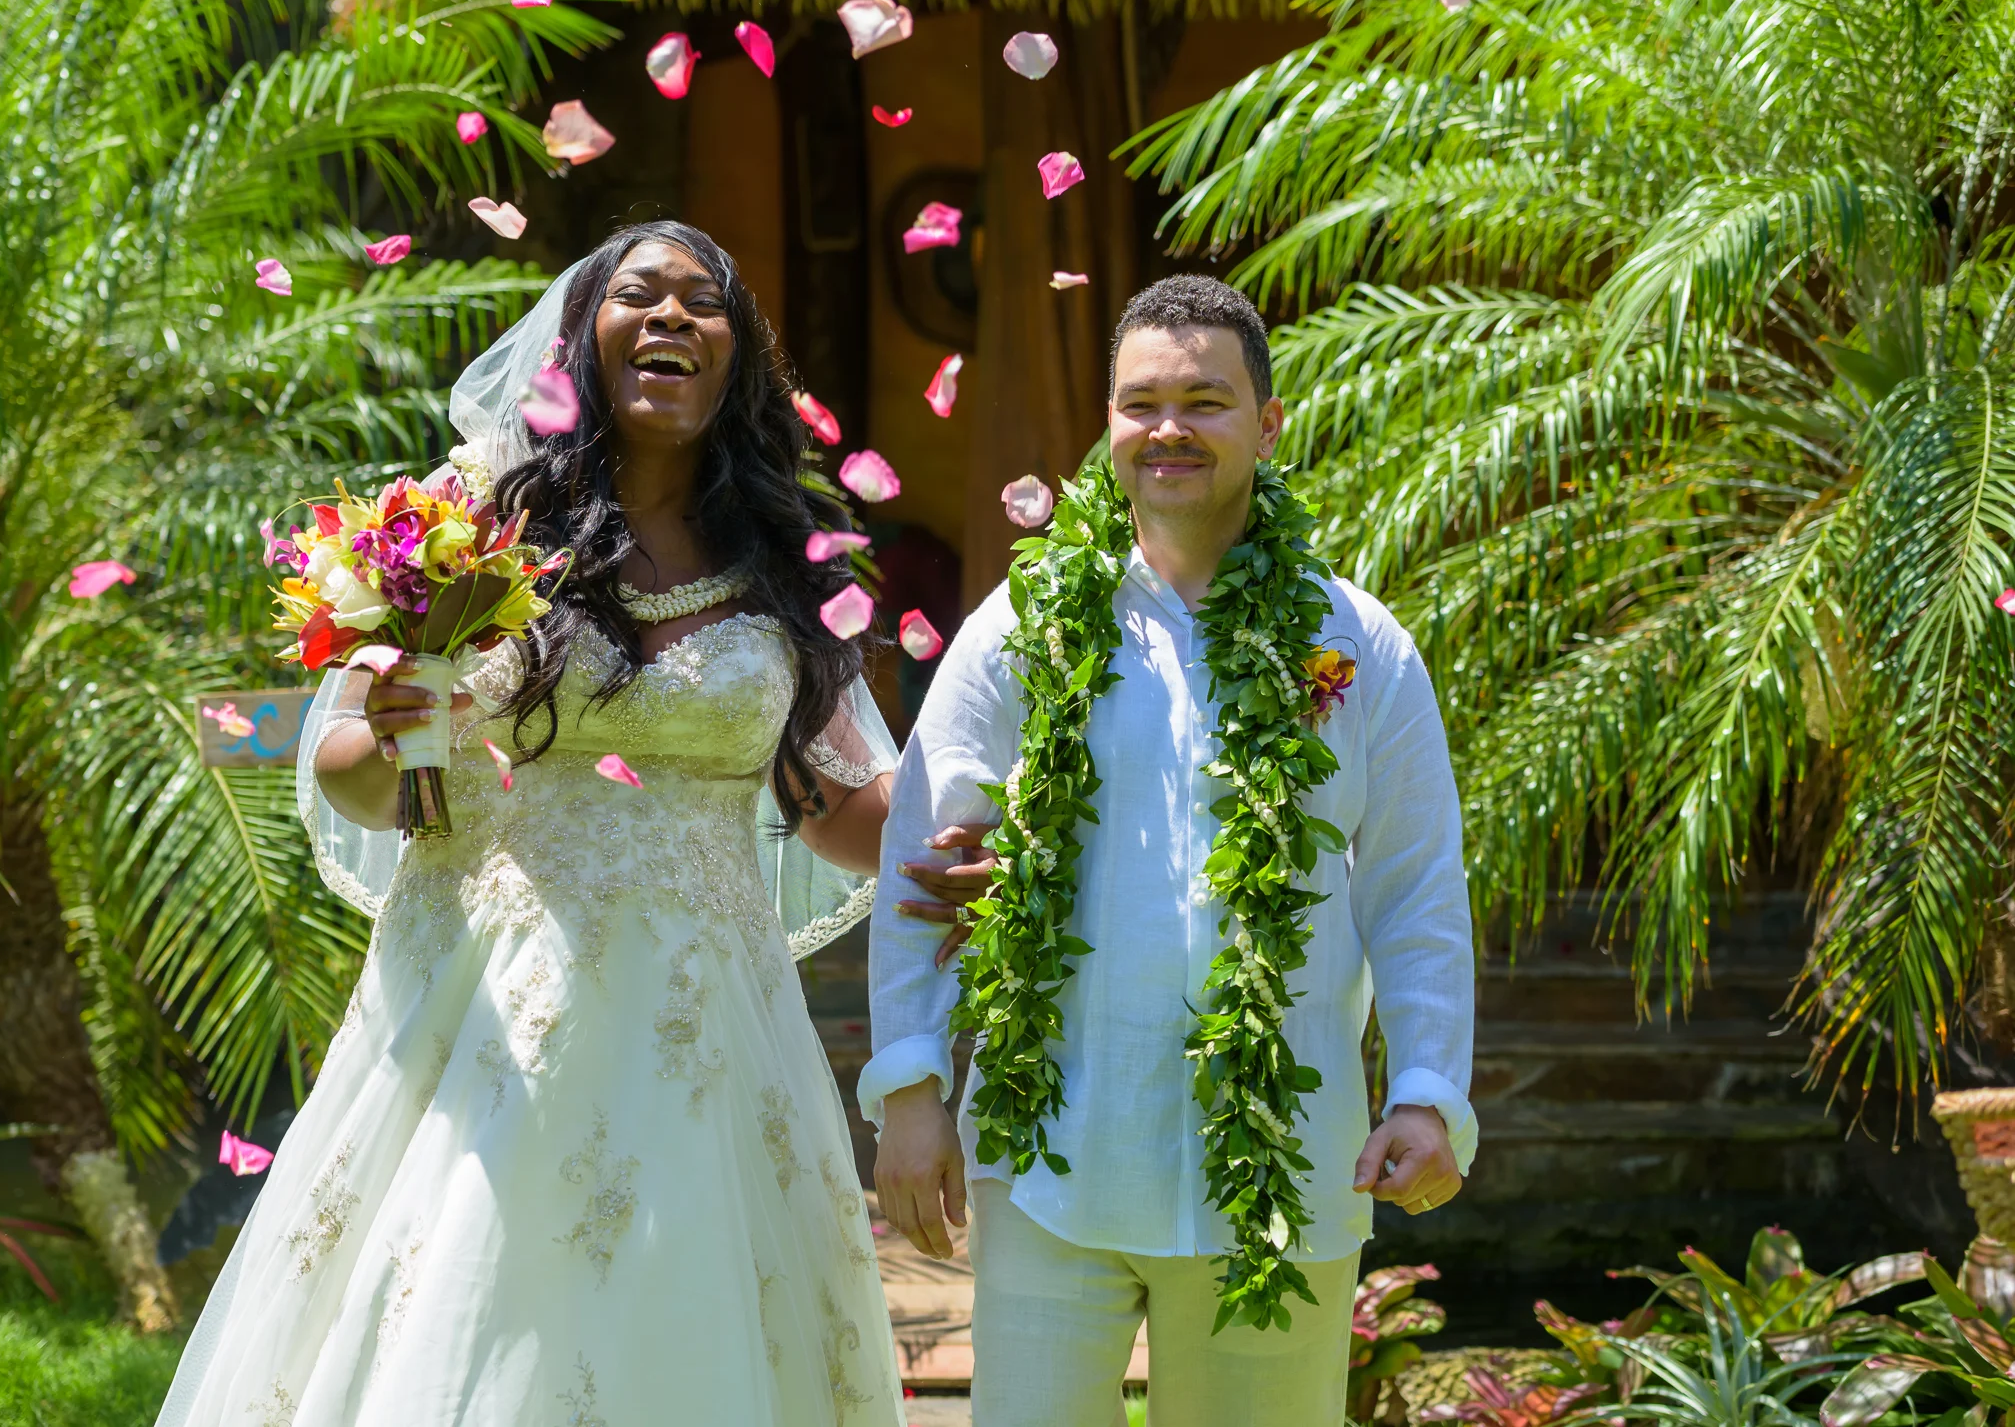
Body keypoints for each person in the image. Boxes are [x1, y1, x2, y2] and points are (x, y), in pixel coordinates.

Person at [155, 222, 909, 1427]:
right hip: (485, 1010)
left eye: (702, 303)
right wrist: (403, 724)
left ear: (740, 356)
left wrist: (996, 829)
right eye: (639, 296)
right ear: (580, 338)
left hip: (715, 1028)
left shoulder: (777, 561)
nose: (670, 318)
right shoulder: (466, 517)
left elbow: (835, 808)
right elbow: (353, 768)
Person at [867, 275, 1477, 1427]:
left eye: (1206, 399)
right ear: (1107, 426)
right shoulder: (1026, 626)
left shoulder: (1357, 644)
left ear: (1268, 422)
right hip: (1055, 1152)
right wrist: (909, 1083)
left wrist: (1430, 1091)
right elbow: (924, 860)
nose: (1170, 429)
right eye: (1141, 402)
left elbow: (1415, 888)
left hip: (1283, 1173)